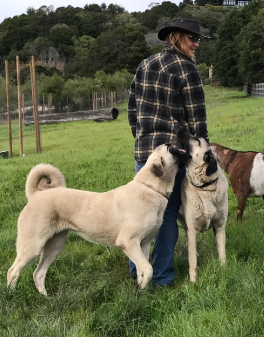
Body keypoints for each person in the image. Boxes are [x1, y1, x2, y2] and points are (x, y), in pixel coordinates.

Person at [127, 18, 209, 287]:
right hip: (173, 156)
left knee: (139, 215)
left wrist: (140, 137)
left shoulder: (144, 64)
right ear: (176, 38)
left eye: (198, 39)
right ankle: (161, 278)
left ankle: (136, 271)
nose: (196, 43)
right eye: (191, 38)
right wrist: (202, 152)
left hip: (145, 153)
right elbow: (197, 122)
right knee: (164, 217)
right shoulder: (187, 69)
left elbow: (132, 108)